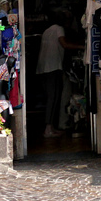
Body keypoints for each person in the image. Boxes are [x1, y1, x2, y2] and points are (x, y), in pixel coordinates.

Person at [35, 10, 81, 138]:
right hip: (52, 67)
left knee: (52, 97)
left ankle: (51, 127)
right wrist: (81, 47)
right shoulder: (59, 29)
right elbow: (64, 44)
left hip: (44, 68)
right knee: (52, 97)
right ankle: (48, 129)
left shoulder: (47, 30)